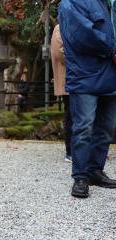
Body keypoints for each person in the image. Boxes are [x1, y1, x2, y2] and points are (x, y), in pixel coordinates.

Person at [59, 0, 116, 198]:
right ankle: (81, 176)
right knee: (83, 127)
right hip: (85, 73)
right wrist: (113, 49)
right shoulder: (70, 3)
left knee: (106, 128)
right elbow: (82, 34)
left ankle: (95, 170)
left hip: (111, 73)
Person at [50, 24, 72, 163]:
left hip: (80, 78)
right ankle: (70, 151)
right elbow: (60, 52)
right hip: (67, 79)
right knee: (71, 116)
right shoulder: (60, 27)